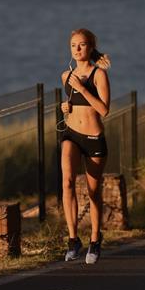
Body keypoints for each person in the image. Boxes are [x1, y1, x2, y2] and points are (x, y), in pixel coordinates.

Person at [60, 28, 111, 264]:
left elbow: (104, 110)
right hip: (71, 134)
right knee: (67, 181)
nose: (77, 49)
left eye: (81, 45)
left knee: (93, 192)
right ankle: (73, 239)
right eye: (73, 45)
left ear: (90, 47)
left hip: (93, 139)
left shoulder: (98, 75)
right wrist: (65, 107)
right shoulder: (65, 76)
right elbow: (72, 103)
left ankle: (94, 239)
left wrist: (82, 89)